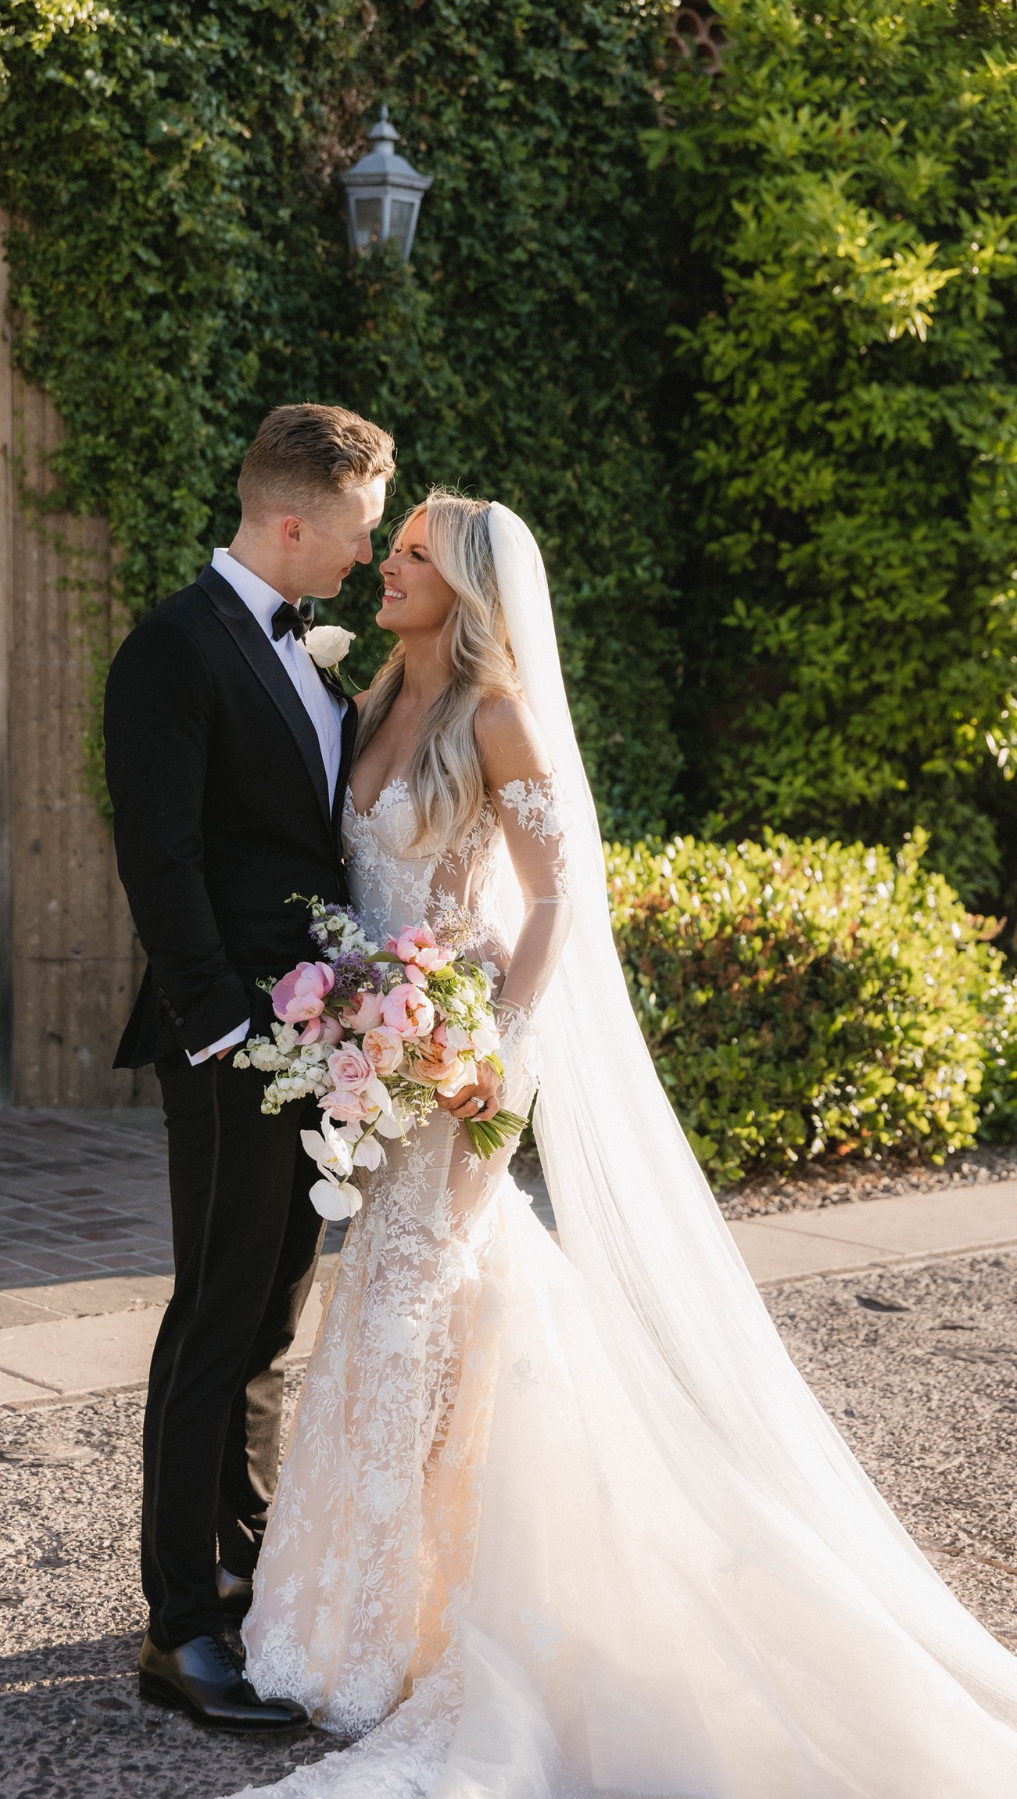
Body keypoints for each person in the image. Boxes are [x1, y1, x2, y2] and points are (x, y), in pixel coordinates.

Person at [226, 491, 1017, 1795]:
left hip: (461, 1055)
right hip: (378, 1049)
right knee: (381, 1300)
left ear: (469, 587)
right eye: (395, 544)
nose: (389, 565)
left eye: (414, 552)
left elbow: (554, 897)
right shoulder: (368, 702)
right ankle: (360, 1604)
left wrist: (493, 1044)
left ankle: (445, 1604)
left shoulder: (496, 715)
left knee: (426, 1295)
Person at [103, 402, 394, 1732]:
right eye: (356, 531)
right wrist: (223, 1026)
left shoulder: (310, 659)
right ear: (292, 521)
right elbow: (159, 855)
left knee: (274, 1315)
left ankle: (246, 1555)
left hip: (309, 1042)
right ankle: (179, 1628)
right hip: (228, 1044)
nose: (366, 556)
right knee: (214, 1325)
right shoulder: (171, 649)